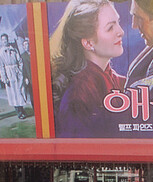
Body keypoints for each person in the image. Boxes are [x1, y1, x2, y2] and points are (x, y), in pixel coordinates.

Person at [50, 0, 125, 137]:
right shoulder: (79, 96)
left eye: (118, 23)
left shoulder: (117, 80)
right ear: (88, 43)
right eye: (110, 28)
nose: (121, 32)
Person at [0, 33, 27, 119]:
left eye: (6, 39)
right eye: (3, 40)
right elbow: (1, 66)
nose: (5, 41)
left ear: (8, 40)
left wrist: (20, 71)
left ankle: (22, 108)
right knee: (13, 93)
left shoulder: (14, 50)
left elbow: (20, 61)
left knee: (20, 91)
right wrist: (4, 77)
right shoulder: (0, 53)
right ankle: (19, 111)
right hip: (9, 73)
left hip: (17, 72)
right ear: (1, 41)